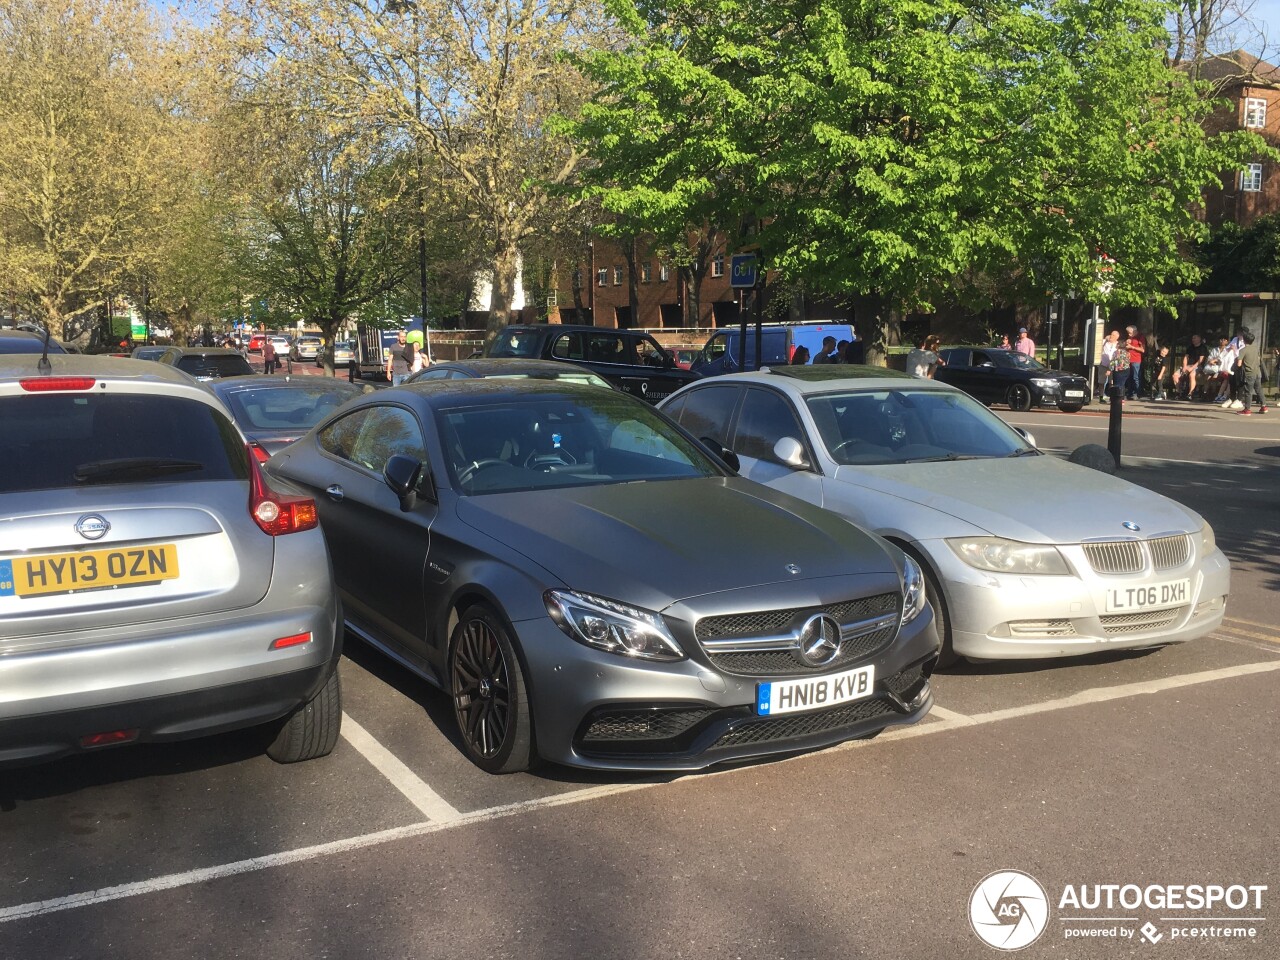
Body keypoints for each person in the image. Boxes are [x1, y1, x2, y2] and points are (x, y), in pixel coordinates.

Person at [1236, 329, 1268, 415]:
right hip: (1257, 372)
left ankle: (1247, 409)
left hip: (1249, 373)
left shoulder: (1243, 350)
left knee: (1248, 392)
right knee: (1259, 389)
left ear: (1244, 339)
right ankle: (1264, 406)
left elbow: (1239, 364)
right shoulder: (1255, 348)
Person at [1173, 333, 1206, 400]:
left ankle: (1190, 393)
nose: (1193, 339)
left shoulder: (1203, 348)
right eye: (1192, 338)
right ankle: (1179, 392)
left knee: (1192, 375)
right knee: (1175, 375)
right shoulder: (1190, 347)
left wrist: (1192, 368)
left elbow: (1201, 360)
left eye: (1195, 338)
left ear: (1199, 339)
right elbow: (1186, 357)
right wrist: (1184, 366)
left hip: (1197, 366)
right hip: (1188, 365)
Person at [1097, 330, 1121, 402]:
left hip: (1113, 366)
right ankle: (1101, 396)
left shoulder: (1118, 344)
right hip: (1103, 364)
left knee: (1112, 382)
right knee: (1101, 381)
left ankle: (1112, 397)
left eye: (1113, 335)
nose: (1111, 336)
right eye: (1111, 334)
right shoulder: (1104, 342)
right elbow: (1097, 341)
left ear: (1117, 337)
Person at [1123, 325, 1145, 399]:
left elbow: (1143, 350)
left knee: (1136, 377)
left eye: (1130, 333)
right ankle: (1130, 393)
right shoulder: (1130, 337)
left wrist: (1132, 347)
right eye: (1128, 333)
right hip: (1129, 359)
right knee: (1129, 377)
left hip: (1136, 359)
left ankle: (1137, 393)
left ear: (1135, 331)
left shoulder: (1140, 337)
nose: (1129, 334)